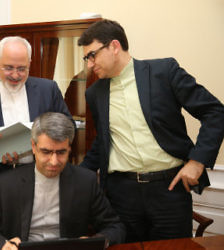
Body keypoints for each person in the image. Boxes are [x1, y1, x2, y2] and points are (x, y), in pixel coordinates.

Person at [78, 19, 224, 242]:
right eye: (86, 58)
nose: (89, 64)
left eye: (92, 55)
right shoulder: (95, 93)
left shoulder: (163, 72)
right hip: (121, 195)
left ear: (114, 46)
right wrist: (75, 177)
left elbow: (215, 112)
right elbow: (103, 141)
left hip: (169, 190)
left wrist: (197, 161)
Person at [0, 112, 125, 250]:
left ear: (69, 148)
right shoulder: (6, 183)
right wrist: (2, 245)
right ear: (33, 147)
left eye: (61, 152)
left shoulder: (86, 181)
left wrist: (94, 242)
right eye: (46, 152)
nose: (54, 162)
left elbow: (115, 227)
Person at [0, 36, 73, 204]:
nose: (15, 75)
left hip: (43, 176)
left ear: (29, 63)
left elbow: (69, 126)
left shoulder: (48, 89)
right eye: (8, 68)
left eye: (22, 68)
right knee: (0, 229)